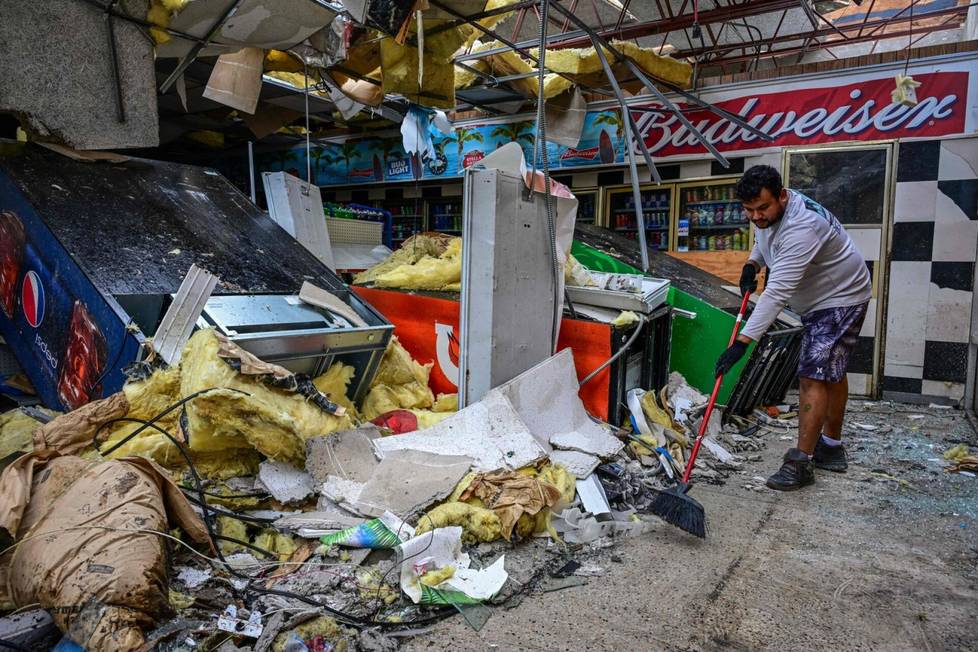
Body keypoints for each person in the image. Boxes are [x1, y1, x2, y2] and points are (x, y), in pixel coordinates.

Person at [715, 165, 872, 491]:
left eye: (763, 208)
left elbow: (776, 295)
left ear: (782, 196)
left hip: (839, 299)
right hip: (824, 297)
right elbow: (764, 235)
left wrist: (742, 343)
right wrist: (752, 263)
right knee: (832, 370)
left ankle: (801, 462)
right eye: (748, 210)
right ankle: (830, 447)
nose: (756, 216)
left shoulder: (803, 227)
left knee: (813, 375)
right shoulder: (772, 213)